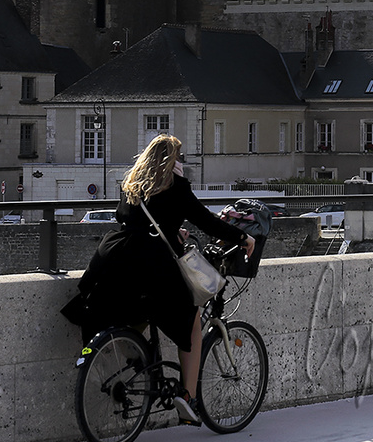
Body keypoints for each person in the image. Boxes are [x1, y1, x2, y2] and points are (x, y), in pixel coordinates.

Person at [61, 135, 255, 427]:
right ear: (172, 161)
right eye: (178, 158)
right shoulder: (177, 187)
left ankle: (136, 356)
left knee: (133, 309)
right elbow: (205, 219)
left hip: (113, 256)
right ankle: (187, 398)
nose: (181, 163)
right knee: (188, 319)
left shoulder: (133, 186)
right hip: (150, 264)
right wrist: (242, 237)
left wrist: (172, 231)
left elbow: (136, 219)